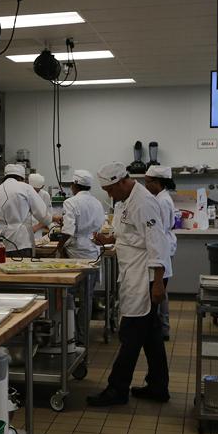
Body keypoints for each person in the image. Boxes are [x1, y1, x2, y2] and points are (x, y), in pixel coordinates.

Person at [88, 162, 170, 406]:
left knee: (131, 333)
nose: (110, 195)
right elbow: (131, 233)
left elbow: (158, 242)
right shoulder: (127, 200)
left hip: (146, 275)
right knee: (151, 334)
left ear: (123, 181)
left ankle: (117, 389)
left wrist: (158, 283)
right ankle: (158, 386)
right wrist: (109, 238)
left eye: (111, 190)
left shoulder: (143, 202)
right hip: (135, 272)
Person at [52, 169, 106, 345]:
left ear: (74, 185)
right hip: (93, 251)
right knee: (87, 297)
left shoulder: (71, 202)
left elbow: (68, 231)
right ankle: (83, 337)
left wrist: (59, 248)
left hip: (76, 253)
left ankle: (69, 334)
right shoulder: (98, 203)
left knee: (67, 293)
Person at [0, 163, 52, 257]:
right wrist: (51, 219)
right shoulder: (25, 188)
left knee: (1, 269)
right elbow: (44, 217)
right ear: (22, 178)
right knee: (20, 269)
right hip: (19, 242)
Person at [144, 165, 178, 341]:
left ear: (157, 182)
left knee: (159, 289)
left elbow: (158, 230)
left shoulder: (162, 201)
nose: (146, 185)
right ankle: (163, 327)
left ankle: (162, 328)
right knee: (161, 290)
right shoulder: (161, 197)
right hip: (164, 245)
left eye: (148, 182)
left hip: (163, 247)